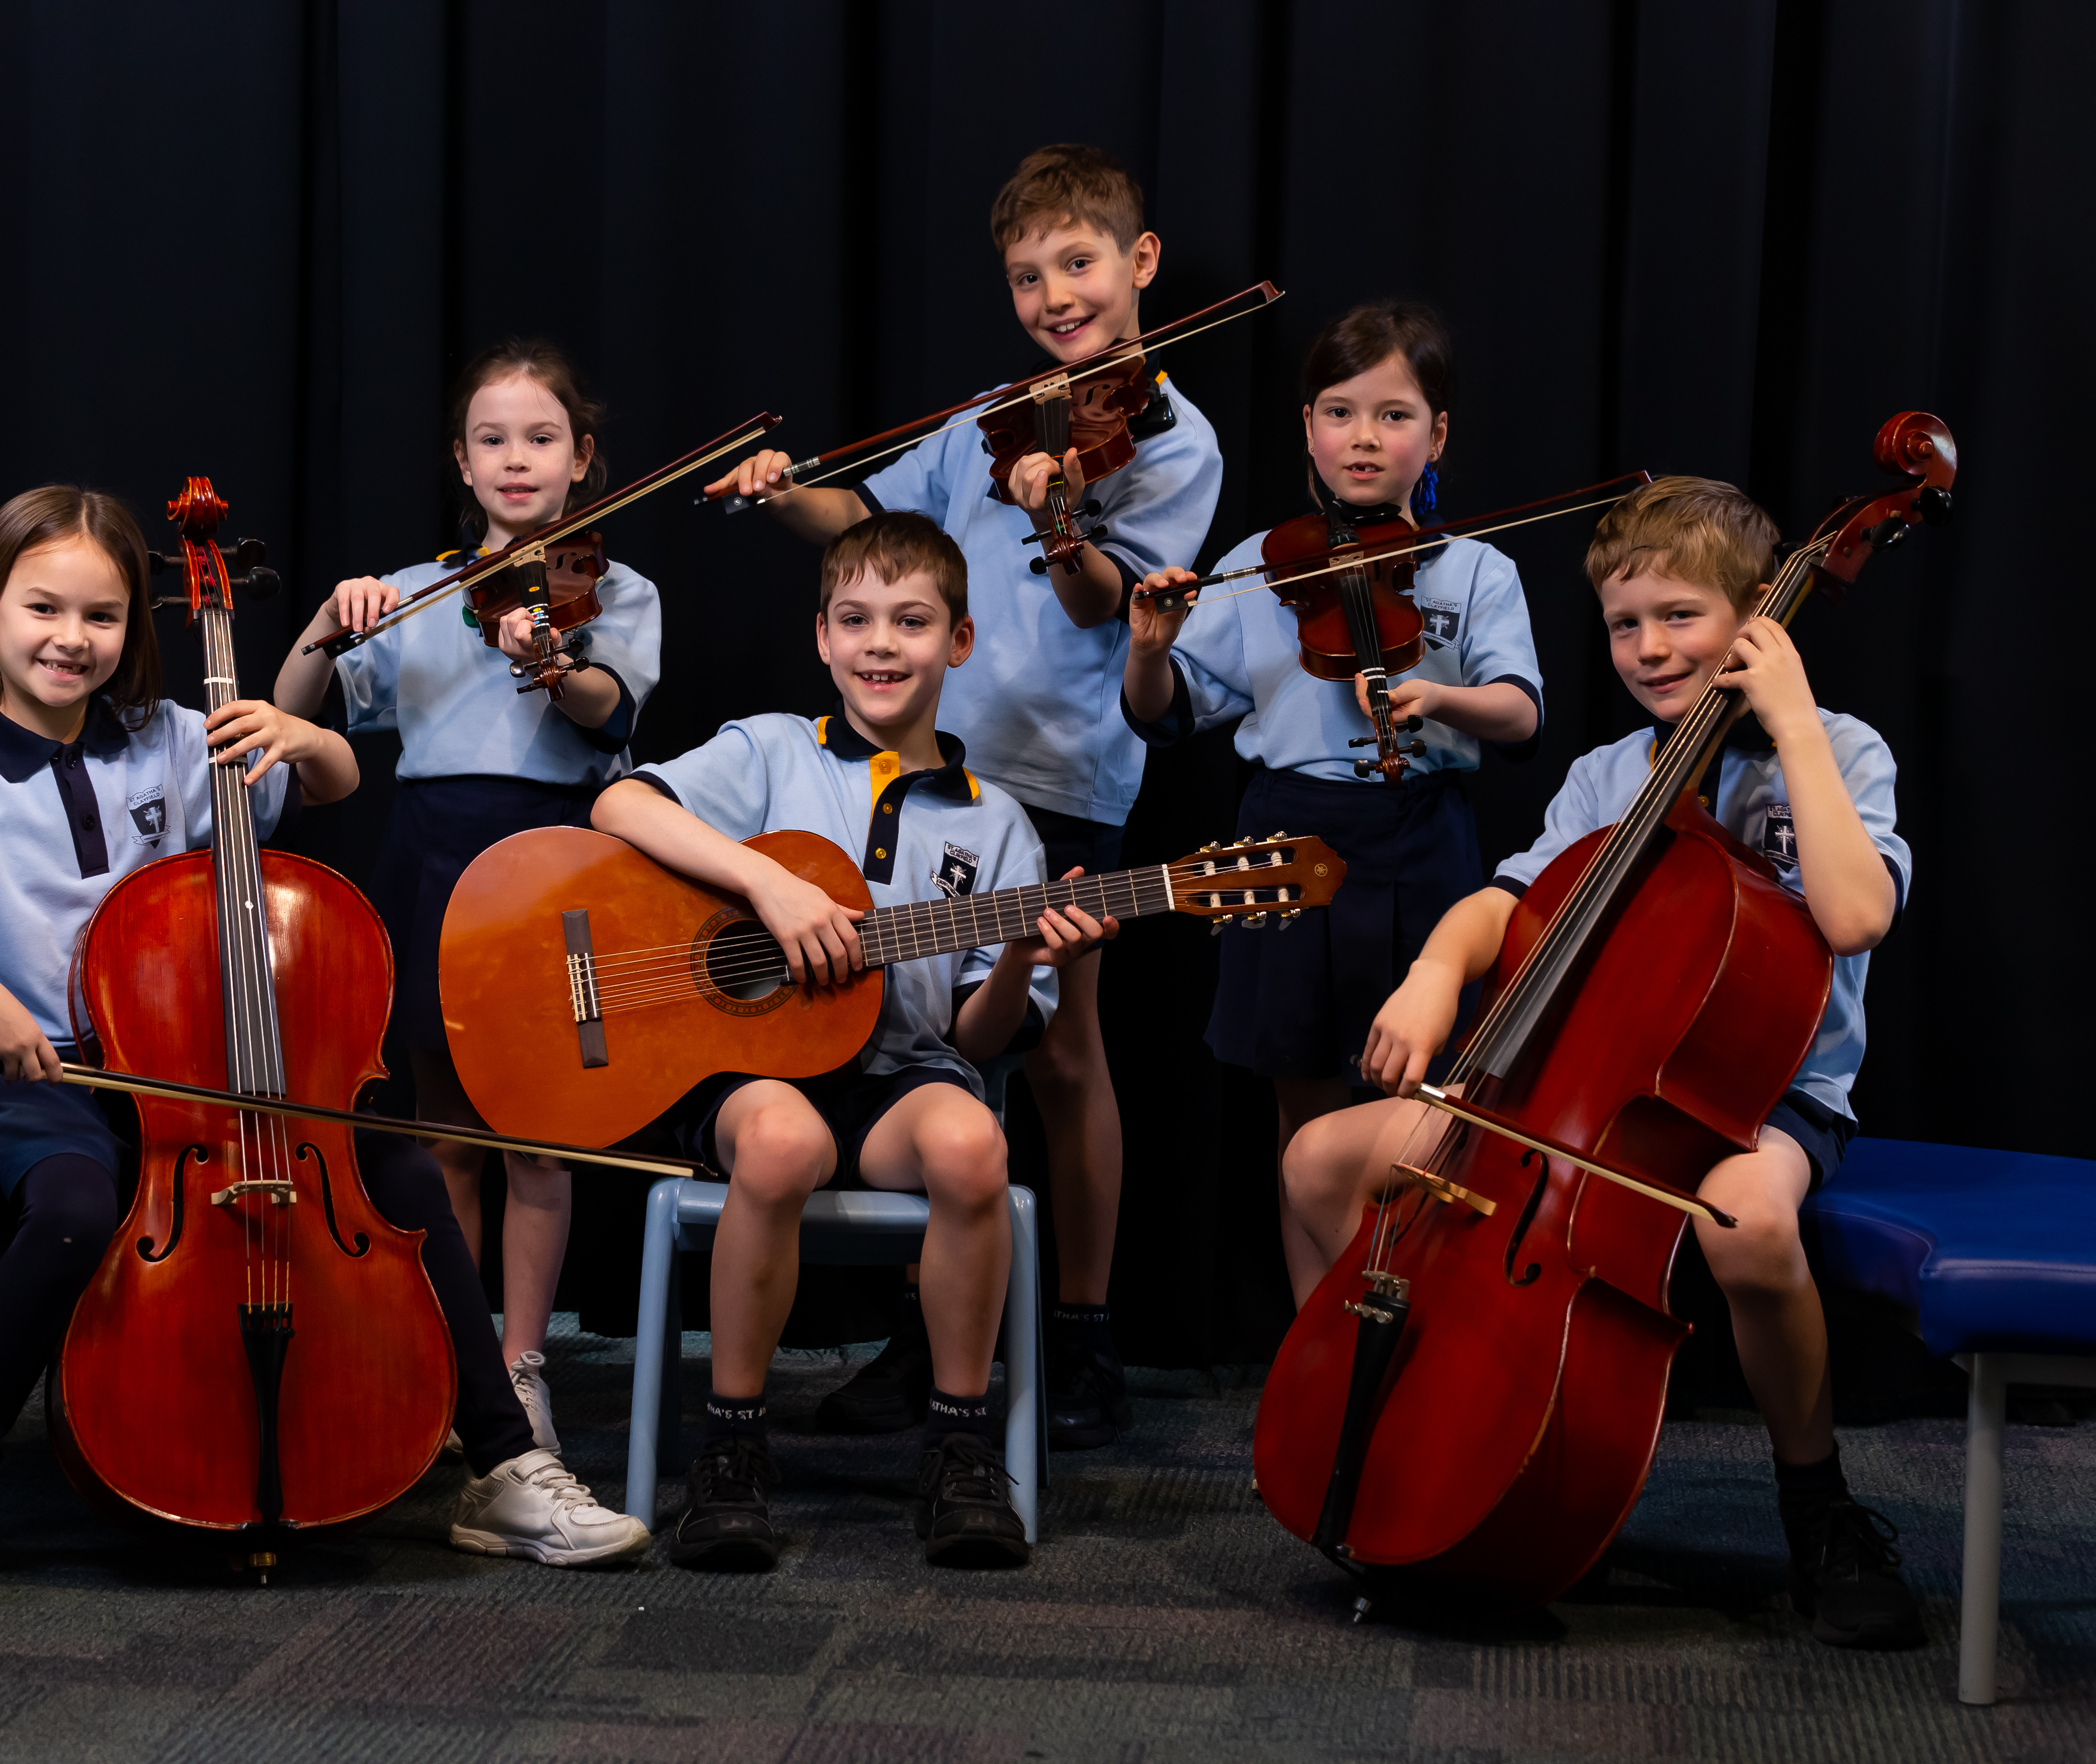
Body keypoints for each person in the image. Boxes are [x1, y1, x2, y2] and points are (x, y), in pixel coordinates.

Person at [0, 485, 647, 1600]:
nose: (72, 639)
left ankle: (503, 1465)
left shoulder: (172, 742)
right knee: (70, 1205)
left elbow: (329, 787)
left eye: (102, 617)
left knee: (396, 1174)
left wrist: (308, 739)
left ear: (133, 629)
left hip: (193, 1058)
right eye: (44, 610)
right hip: (39, 1064)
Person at [1276, 475, 1920, 1648]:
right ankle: (1403, 1426)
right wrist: (1433, 974)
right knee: (1323, 1159)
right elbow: (1506, 906)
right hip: (1578, 1093)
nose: (1649, 647)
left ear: (1756, 618)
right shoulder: (1612, 776)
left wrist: (1790, 721)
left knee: (1749, 1225)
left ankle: (1818, 1504)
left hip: (1764, 1104)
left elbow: (1855, 915)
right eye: (1626, 624)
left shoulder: (1837, 753)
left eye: (1680, 615)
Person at [702, 143, 1220, 1449]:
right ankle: (929, 1336)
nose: (1056, 295)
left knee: (1060, 1053)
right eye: (1029, 275)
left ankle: (1086, 1336)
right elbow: (871, 526)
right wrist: (781, 498)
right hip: (928, 770)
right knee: (924, 1048)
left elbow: (1113, 603)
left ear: (1140, 264)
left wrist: (1057, 522)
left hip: (1057, 776)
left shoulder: (1169, 436)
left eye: (1080, 263)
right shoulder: (990, 418)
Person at [593, 511, 1112, 1569]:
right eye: (858, 620)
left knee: (974, 1146)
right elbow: (620, 805)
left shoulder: (998, 823)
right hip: (753, 1069)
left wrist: (1019, 954)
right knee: (780, 1147)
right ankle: (734, 1452)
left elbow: (982, 1037)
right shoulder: (773, 749)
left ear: (958, 642)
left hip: (900, 1076)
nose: (883, 643)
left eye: (912, 622)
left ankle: (960, 1449)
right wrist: (768, 883)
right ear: (822, 638)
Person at [273, 339, 659, 1454]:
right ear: (462, 460)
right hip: (433, 863)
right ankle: (454, 1356)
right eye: (492, 440)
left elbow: (605, 714)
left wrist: (544, 658)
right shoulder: (414, 591)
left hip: (554, 867)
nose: (517, 459)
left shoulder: (617, 591)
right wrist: (330, 622)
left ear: (584, 458)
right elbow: (303, 708)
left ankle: (523, 1364)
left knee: (537, 1139)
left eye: (542, 438)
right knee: (441, 1133)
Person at [1123, 300, 1543, 1229]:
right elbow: (1167, 716)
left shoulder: (1474, 571)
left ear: (1436, 436)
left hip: (1425, 834)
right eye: (1339, 412)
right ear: (1307, 430)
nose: (1364, 438)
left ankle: (1411, 1338)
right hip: (1285, 836)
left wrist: (1437, 698)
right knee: (1303, 1102)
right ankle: (1320, 1340)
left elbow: (1520, 713)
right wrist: (1149, 650)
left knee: (1428, 1096)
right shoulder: (1259, 568)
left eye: (1395, 416)